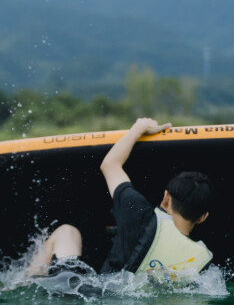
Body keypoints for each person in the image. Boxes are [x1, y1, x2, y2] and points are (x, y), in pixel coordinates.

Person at [27, 118, 215, 279]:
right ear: (203, 217)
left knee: (67, 232)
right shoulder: (202, 263)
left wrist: (139, 128)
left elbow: (110, 164)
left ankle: (25, 287)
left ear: (166, 198)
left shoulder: (138, 211)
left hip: (91, 296)